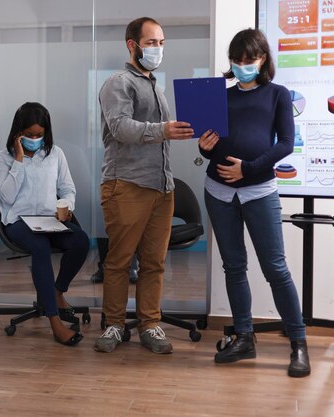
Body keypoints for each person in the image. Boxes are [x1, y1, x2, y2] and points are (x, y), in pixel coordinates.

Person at [198, 29, 310, 377]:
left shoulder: (277, 95)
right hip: (218, 192)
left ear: (262, 59)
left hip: (259, 191)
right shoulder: (219, 96)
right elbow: (207, 145)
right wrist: (203, 147)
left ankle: (299, 342)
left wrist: (247, 169)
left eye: (250, 60)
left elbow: (285, 144)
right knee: (234, 266)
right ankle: (244, 337)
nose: (243, 66)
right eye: (237, 60)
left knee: (275, 268)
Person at [94, 17, 194, 354]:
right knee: (120, 261)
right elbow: (121, 127)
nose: (158, 49)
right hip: (126, 185)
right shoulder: (117, 83)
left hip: (161, 187)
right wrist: (164, 130)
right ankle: (114, 325)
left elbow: (159, 133)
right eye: (152, 42)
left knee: (154, 262)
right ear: (132, 45)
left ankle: (150, 324)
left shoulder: (157, 87)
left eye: (162, 42)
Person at [0, 102, 89, 346]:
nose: (35, 139)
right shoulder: (3, 158)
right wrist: (18, 160)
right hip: (18, 221)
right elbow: (6, 197)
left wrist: (67, 206)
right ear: (18, 132)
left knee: (80, 241)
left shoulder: (55, 154)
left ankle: (57, 292)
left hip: (49, 219)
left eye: (39, 134)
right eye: (29, 135)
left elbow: (67, 188)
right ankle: (55, 322)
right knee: (40, 247)